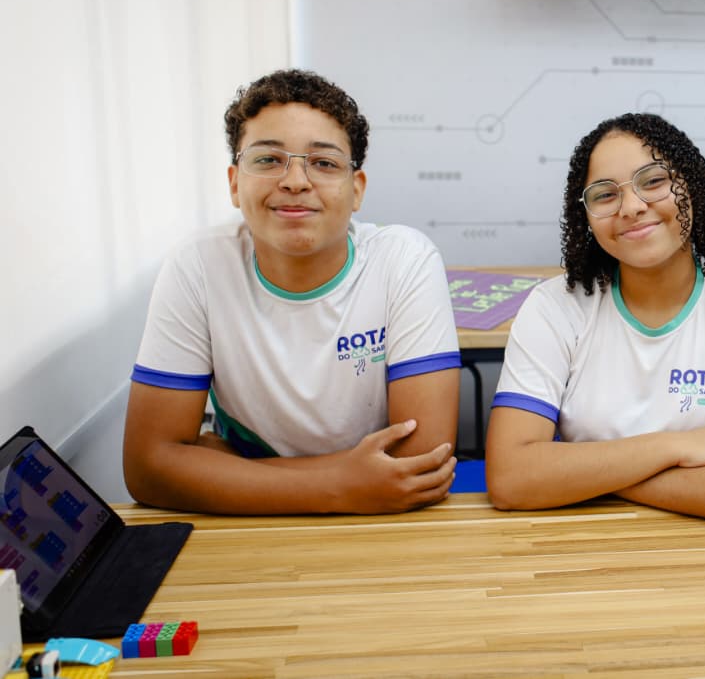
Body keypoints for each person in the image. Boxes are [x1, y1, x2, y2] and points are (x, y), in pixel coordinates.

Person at [123, 69, 462, 514]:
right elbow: (148, 467)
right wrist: (341, 484)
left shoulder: (403, 260)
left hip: (368, 525)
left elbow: (419, 465)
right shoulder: (199, 267)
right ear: (234, 183)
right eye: (268, 160)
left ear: (356, 189)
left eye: (324, 163)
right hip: (249, 528)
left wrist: (225, 469)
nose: (296, 181)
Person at [485, 113, 705, 527]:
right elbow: (510, 478)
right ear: (585, 216)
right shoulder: (553, 308)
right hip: (578, 550)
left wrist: (586, 475)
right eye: (605, 195)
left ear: (691, 186)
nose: (632, 207)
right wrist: (673, 448)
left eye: (653, 181)